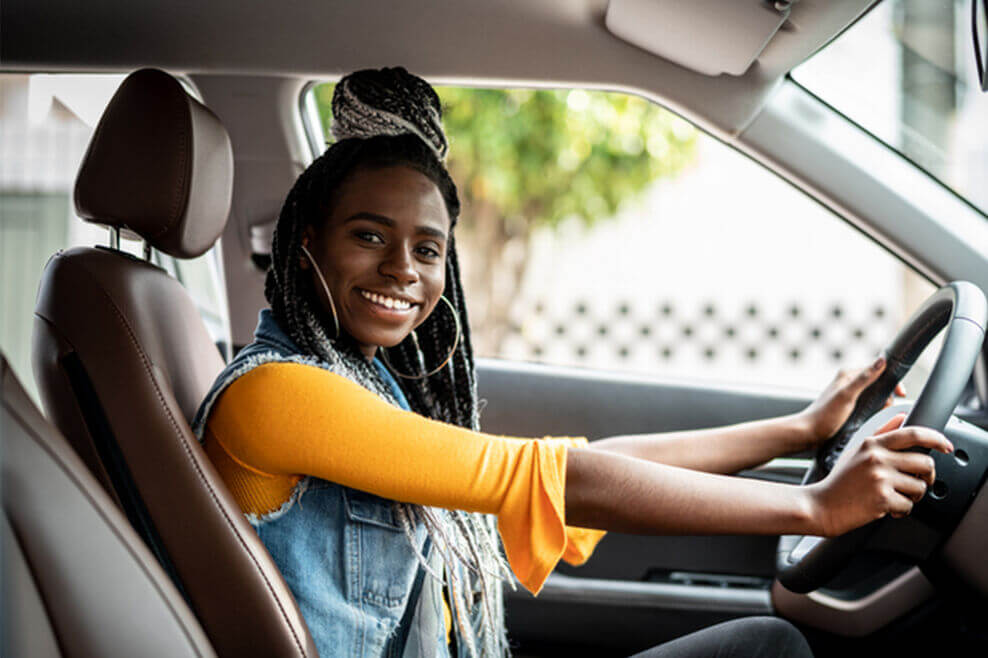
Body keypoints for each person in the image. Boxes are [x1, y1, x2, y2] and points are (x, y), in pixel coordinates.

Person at [192, 67, 952, 657]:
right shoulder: (278, 394)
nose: (403, 269)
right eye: (367, 235)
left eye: (427, 249)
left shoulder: (366, 384)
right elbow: (554, 479)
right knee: (769, 646)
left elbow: (576, 474)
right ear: (305, 247)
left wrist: (798, 430)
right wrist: (816, 509)